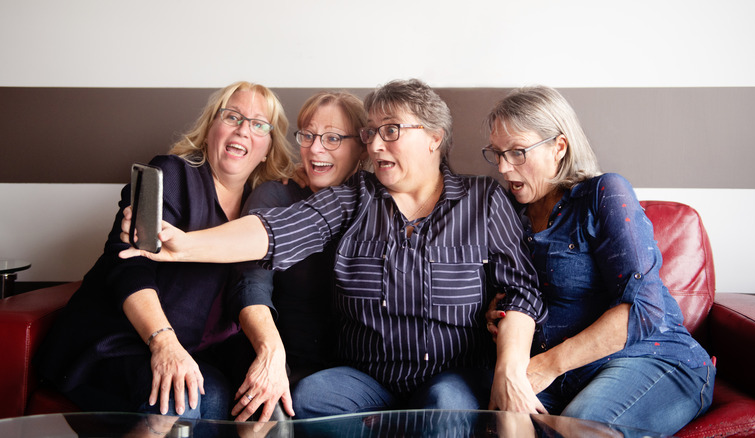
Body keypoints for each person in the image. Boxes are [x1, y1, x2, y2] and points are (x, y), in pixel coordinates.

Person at [118, 79, 548, 419]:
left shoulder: (484, 200)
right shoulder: (354, 197)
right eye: (372, 133)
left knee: (447, 406)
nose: (377, 144)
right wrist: (187, 244)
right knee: (310, 398)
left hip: (449, 374)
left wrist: (510, 367)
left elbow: (522, 292)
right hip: (366, 376)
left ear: (434, 137)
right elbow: (275, 232)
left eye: (392, 131)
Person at [34, 81, 298, 421]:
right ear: (210, 129)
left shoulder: (261, 206)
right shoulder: (169, 174)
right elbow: (129, 266)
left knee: (235, 404)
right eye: (232, 116)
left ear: (268, 148)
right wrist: (164, 344)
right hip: (117, 344)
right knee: (180, 401)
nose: (244, 130)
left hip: (197, 354)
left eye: (259, 124)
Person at [482, 85, 715, 434]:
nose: (502, 167)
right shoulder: (506, 213)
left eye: (517, 152)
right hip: (563, 379)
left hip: (650, 357)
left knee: (578, 427)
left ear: (558, 147)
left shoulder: (603, 193)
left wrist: (546, 365)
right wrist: (492, 310)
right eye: (496, 153)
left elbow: (645, 308)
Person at [227, 90, 368, 422]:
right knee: (265, 410)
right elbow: (250, 283)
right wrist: (271, 353)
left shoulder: (374, 199)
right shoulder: (277, 193)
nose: (315, 149)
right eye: (308, 135)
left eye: (332, 138)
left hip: (355, 374)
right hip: (280, 357)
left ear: (362, 146)